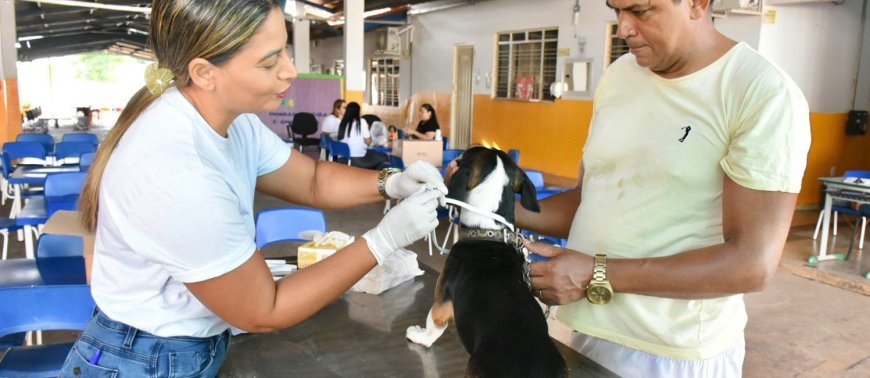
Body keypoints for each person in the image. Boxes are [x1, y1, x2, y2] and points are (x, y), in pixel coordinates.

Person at [60, 1, 446, 375]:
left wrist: (392, 182)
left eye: (286, 53)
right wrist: (383, 240)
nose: (290, 71)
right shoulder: (177, 172)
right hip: (145, 358)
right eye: (269, 61)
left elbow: (311, 179)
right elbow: (266, 309)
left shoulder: (229, 120)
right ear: (204, 72)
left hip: (185, 342)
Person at [515, 0, 811, 376]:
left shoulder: (758, 91)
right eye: (616, 11)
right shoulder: (621, 75)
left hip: (674, 353)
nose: (623, 28)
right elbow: (591, 199)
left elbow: (752, 264)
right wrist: (493, 205)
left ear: (697, 3)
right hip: (591, 328)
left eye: (640, 10)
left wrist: (595, 273)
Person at [337, 102, 390, 170]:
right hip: (357, 160)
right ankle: (379, 179)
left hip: (342, 159)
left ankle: (368, 176)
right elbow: (368, 141)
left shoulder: (342, 123)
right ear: (358, 111)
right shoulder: (361, 122)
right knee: (385, 157)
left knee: (372, 153)